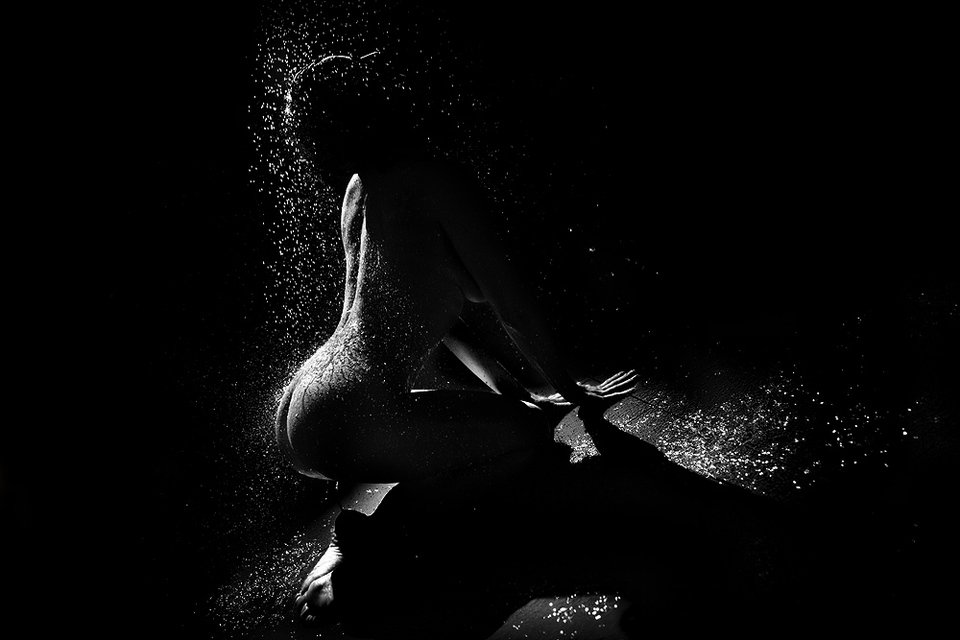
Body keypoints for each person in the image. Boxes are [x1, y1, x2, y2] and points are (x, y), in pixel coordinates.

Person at [273, 57, 639, 624]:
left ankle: (364, 537)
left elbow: (438, 313)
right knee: (528, 440)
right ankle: (368, 538)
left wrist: (517, 391)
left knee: (516, 420)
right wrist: (572, 393)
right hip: (352, 414)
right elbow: (512, 309)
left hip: (305, 407)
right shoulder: (433, 181)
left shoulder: (358, 190)